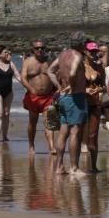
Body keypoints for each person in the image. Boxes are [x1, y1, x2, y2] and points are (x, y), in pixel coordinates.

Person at [47, 32, 89, 176]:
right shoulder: (77, 56)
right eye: (84, 43)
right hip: (74, 97)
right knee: (74, 132)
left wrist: (59, 87)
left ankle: (59, 167)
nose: (86, 45)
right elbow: (72, 74)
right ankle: (74, 167)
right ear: (80, 44)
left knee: (63, 132)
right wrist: (71, 85)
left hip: (64, 98)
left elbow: (50, 71)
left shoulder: (63, 54)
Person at [20, 41, 58, 155]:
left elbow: (57, 74)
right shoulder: (28, 62)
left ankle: (51, 146)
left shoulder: (49, 61)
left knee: (48, 122)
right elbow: (23, 77)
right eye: (37, 48)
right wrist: (30, 89)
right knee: (33, 122)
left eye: (42, 48)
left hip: (48, 96)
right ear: (33, 50)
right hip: (33, 96)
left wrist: (58, 88)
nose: (40, 50)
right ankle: (31, 145)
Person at [82, 41, 106, 174]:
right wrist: (85, 90)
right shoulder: (80, 67)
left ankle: (93, 165)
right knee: (77, 134)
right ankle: (73, 165)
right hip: (81, 103)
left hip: (95, 104)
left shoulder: (99, 68)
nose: (93, 53)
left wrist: (100, 89)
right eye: (91, 51)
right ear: (85, 51)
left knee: (93, 135)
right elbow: (72, 85)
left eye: (95, 51)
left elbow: (104, 86)